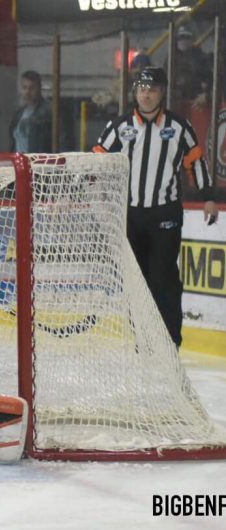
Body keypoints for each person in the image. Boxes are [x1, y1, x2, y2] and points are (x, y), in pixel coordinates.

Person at [93, 66, 219, 347]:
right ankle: (142, 339)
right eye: (141, 89)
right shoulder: (120, 127)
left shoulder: (178, 127)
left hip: (165, 214)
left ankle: (170, 342)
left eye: (152, 89)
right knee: (138, 282)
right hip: (131, 214)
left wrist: (208, 196)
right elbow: (96, 160)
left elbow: (196, 162)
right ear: (135, 93)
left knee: (164, 278)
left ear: (162, 93)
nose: (146, 95)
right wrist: (77, 193)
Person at [8, 70, 52, 153]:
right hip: (19, 163)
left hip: (38, 163)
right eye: (24, 88)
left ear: (39, 89)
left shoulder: (48, 113)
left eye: (32, 88)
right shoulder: (18, 114)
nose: (27, 92)